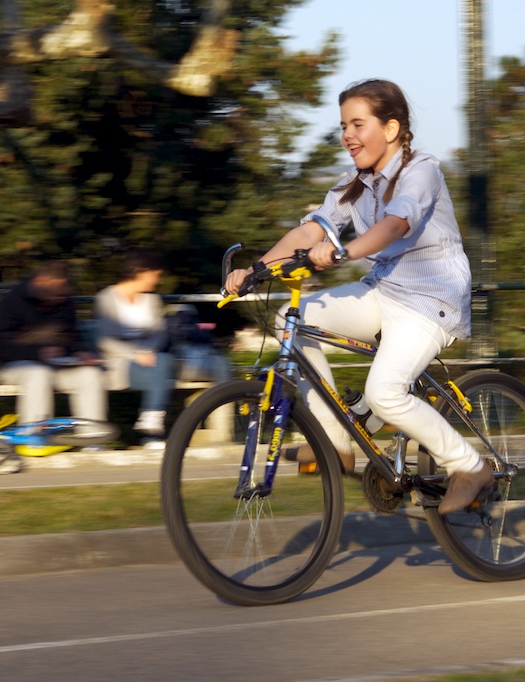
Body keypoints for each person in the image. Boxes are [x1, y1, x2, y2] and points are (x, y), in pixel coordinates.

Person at [225, 79, 493, 515]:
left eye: (357, 123)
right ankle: (335, 443)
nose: (347, 134)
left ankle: (469, 466)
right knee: (292, 320)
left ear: (391, 129)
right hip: (383, 289)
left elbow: (394, 225)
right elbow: (308, 231)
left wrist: (344, 250)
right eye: (343, 126)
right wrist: (255, 270)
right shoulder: (353, 183)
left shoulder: (420, 170)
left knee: (385, 392)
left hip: (431, 299)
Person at [0, 261, 108, 427]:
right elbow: (1, 347)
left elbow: (72, 337)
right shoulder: (11, 302)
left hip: (57, 368)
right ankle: (34, 436)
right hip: (16, 367)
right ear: (40, 281)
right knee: (38, 374)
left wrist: (81, 352)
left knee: (90, 375)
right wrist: (37, 353)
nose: (57, 299)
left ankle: (94, 438)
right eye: (53, 294)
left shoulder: (64, 301)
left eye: (61, 295)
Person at [94, 250, 176, 448]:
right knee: (162, 366)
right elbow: (104, 341)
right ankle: (152, 433)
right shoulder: (106, 298)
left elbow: (160, 333)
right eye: (155, 274)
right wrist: (135, 354)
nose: (158, 280)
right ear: (140, 272)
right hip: (119, 360)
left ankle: (150, 423)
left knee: (163, 362)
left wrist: (149, 351)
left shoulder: (152, 300)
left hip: (150, 358)